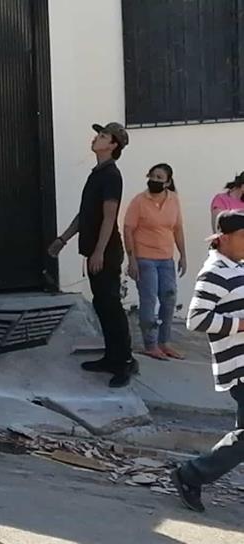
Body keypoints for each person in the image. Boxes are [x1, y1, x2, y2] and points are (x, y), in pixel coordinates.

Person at [48, 122, 138, 388]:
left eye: (102, 136)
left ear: (113, 145)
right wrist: (63, 239)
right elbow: (85, 214)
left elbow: (110, 217)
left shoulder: (111, 175)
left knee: (111, 306)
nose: (96, 139)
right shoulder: (96, 174)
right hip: (94, 250)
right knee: (102, 305)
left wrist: (99, 252)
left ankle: (124, 362)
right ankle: (111, 357)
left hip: (106, 252)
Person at [170, 210, 244, 512]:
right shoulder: (215, 271)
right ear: (224, 238)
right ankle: (191, 474)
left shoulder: (236, 265)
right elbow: (196, 319)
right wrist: (240, 325)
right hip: (238, 366)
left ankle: (192, 474)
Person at [123, 163, 187, 360]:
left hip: (166, 259)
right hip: (144, 258)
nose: (155, 181)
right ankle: (150, 344)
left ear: (167, 182)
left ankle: (164, 342)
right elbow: (128, 229)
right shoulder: (139, 201)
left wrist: (183, 255)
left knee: (169, 299)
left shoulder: (174, 200)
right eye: (153, 176)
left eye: (160, 178)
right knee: (149, 300)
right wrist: (131, 259)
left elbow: (177, 229)